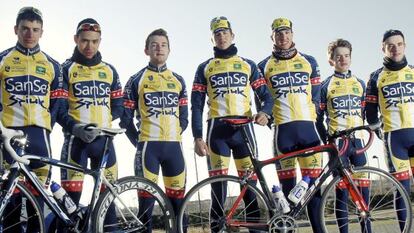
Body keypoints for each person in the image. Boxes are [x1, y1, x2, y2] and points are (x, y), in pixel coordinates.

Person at [191, 16, 273, 233]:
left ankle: (255, 229)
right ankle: (218, 229)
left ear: (232, 35)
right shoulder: (204, 67)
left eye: (225, 32)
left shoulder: (248, 65)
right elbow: (196, 106)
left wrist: (265, 113)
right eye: (217, 33)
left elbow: (267, 97)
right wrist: (197, 137)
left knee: (250, 188)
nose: (221, 36)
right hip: (217, 131)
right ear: (212, 38)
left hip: (244, 130)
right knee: (218, 188)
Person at [0, 6, 65, 232]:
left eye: (35, 30)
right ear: (16, 29)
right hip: (11, 134)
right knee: (11, 201)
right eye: (25, 29)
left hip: (40, 136)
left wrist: (48, 127)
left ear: (41, 32)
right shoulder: (2, 59)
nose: (30, 34)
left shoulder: (53, 66)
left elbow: (57, 105)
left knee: (39, 200)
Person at [257, 17, 323, 232]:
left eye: (286, 32)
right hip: (282, 133)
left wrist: (311, 116)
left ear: (292, 34)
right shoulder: (263, 66)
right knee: (285, 197)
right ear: (272, 37)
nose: (283, 36)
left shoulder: (309, 61)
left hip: (308, 131)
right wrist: (273, 123)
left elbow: (317, 96)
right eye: (278, 33)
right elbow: (262, 101)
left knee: (314, 190)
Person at [120, 28, 188, 232]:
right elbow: (125, 119)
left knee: (178, 207)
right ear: (146, 50)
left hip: (175, 148)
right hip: (148, 148)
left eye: (163, 45)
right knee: (145, 209)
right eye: (154, 45)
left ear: (169, 50)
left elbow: (183, 117)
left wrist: (174, 132)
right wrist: (139, 142)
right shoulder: (135, 79)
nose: (159, 48)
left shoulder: (178, 80)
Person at [59, 18, 123, 231]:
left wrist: (102, 124)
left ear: (100, 41)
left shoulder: (110, 70)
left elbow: (119, 106)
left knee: (108, 205)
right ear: (76, 39)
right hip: (76, 142)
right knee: (70, 205)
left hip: (105, 143)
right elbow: (58, 109)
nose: (89, 46)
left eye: (94, 41)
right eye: (85, 41)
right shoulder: (65, 68)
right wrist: (77, 127)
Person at [317, 39, 370, 233]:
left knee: (363, 194)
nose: (343, 59)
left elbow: (363, 111)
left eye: (346, 55)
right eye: (338, 56)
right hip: (338, 144)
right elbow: (318, 118)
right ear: (331, 60)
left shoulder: (360, 83)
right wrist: (327, 139)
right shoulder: (325, 86)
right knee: (342, 195)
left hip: (359, 143)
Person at [365, 29, 413, 232]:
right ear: (383, 48)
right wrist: (378, 128)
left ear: (405, 45)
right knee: (401, 190)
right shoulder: (376, 77)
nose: (395, 48)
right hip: (394, 138)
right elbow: (370, 110)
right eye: (390, 45)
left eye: (399, 44)